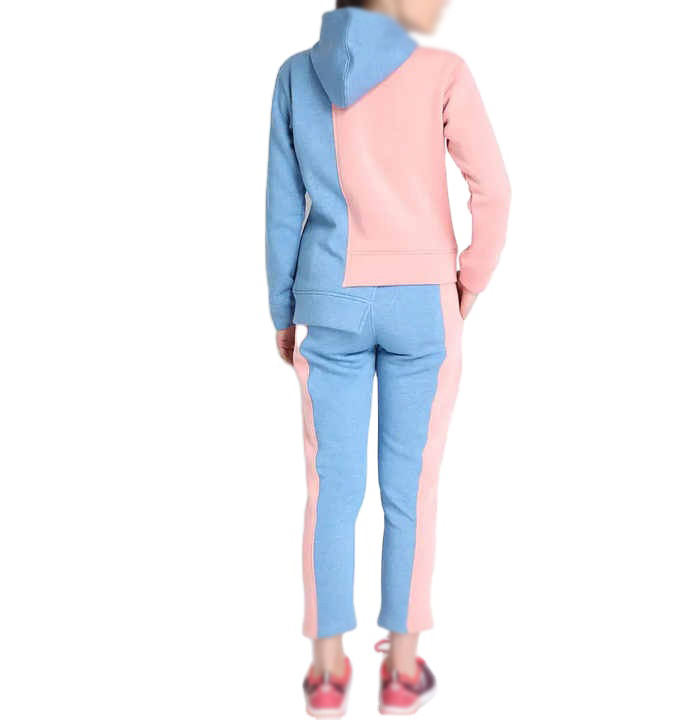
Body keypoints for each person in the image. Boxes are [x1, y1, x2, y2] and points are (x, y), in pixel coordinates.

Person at [265, 0, 510, 714]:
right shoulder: (442, 71)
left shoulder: (296, 75)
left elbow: (282, 207)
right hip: (423, 305)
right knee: (413, 489)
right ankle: (402, 671)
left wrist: (282, 309)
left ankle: (325, 672)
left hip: (329, 301)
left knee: (330, 490)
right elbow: (493, 189)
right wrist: (469, 281)